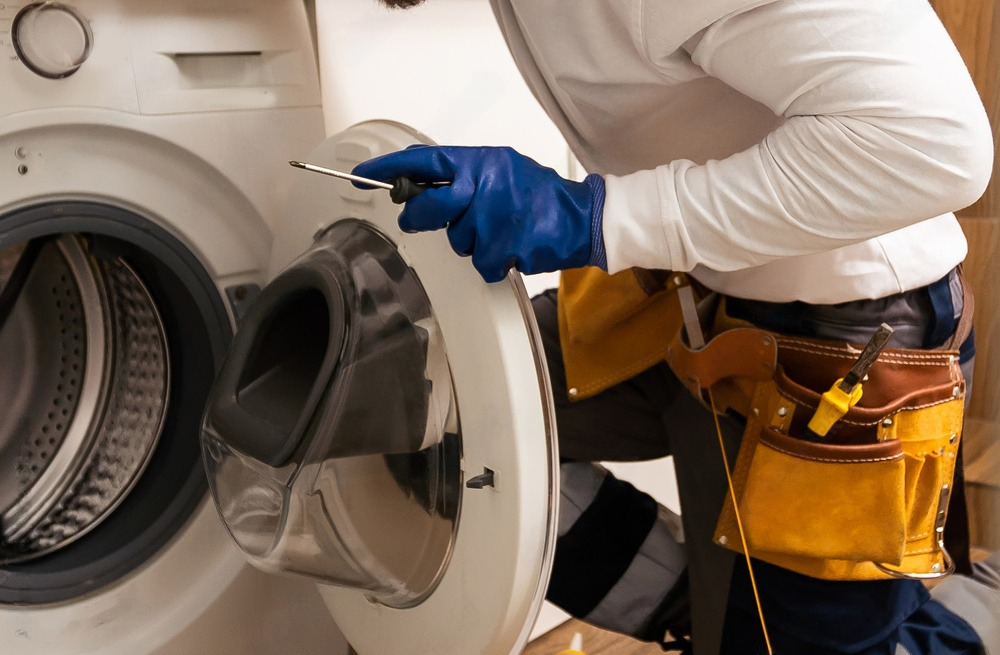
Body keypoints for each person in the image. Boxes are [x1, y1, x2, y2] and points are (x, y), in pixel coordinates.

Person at [353, 1, 1000, 653]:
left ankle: (971, 611)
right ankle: (722, 618)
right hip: (680, 287)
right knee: (428, 414)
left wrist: (598, 218)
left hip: (844, 329)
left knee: (811, 637)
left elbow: (933, 143)